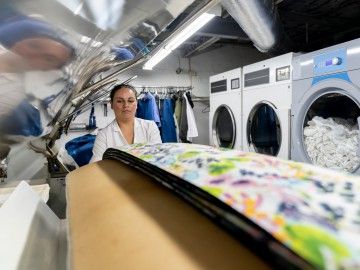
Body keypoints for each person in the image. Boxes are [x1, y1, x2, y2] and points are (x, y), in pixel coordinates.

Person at [90, 84, 162, 162]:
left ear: (136, 103)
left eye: (130, 101)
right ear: (111, 104)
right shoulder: (103, 135)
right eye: (120, 101)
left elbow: (158, 160)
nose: (126, 105)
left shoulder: (150, 127)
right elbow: (96, 166)